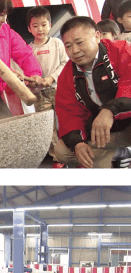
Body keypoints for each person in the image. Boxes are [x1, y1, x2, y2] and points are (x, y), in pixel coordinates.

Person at [54, 16, 131, 168]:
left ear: (97, 36)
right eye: (68, 46)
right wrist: (78, 143)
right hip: (104, 133)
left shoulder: (121, 51)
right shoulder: (67, 75)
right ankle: (121, 154)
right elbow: (68, 112)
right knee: (62, 151)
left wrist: (110, 109)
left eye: (79, 42)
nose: (74, 51)